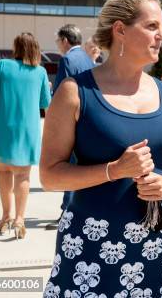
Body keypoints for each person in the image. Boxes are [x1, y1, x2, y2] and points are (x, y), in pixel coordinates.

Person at [40, 0, 162, 296]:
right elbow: (49, 175)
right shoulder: (75, 93)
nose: (161, 35)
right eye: (152, 26)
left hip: (158, 249)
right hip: (91, 252)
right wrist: (114, 169)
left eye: (161, 28)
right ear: (120, 30)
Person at [0, 32, 51, 239]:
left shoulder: (2, 65)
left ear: (16, 47)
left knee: (3, 173)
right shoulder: (40, 72)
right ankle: (20, 218)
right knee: (23, 175)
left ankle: (6, 216)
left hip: (3, 126)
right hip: (28, 129)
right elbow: (46, 104)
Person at [47, 24, 96, 230]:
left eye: (58, 41)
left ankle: (68, 211)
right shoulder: (87, 58)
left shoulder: (68, 59)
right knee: (81, 165)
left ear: (65, 40)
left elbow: (60, 93)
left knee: (68, 166)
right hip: (89, 117)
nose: (58, 45)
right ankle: (76, 209)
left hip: (72, 119)